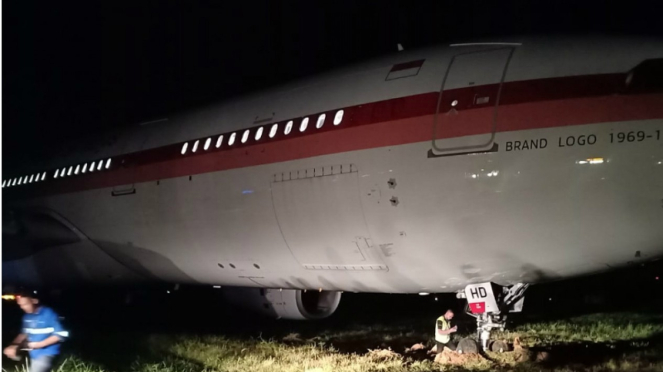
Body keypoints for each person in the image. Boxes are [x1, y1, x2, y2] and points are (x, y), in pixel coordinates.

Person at [3, 290, 68, 372]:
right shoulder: (27, 317)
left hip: (48, 353)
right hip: (34, 354)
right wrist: (14, 345)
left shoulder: (48, 313)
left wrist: (40, 344)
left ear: (34, 301)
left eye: (25, 304)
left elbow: (61, 334)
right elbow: (24, 334)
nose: (22, 307)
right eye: (20, 305)